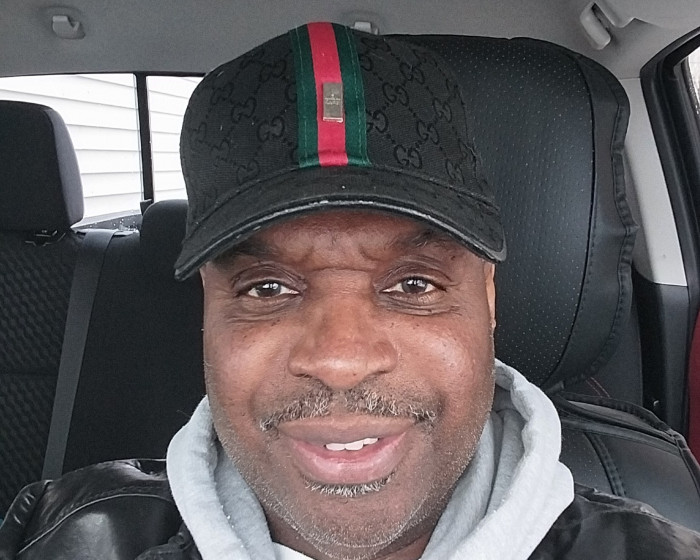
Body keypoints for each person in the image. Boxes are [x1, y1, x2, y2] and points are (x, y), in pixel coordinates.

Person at [1, 22, 699, 560]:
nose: (340, 360)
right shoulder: (62, 536)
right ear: (208, 311)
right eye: (267, 287)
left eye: (415, 283)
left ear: (488, 300)